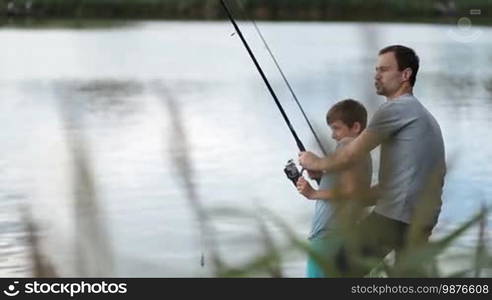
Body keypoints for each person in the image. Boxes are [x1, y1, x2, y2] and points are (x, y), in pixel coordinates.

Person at [299, 45, 446, 276]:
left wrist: (314, 162)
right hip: (421, 220)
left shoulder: (397, 109)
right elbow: (388, 188)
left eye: (384, 70)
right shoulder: (421, 115)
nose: (377, 75)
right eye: (376, 69)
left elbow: (350, 154)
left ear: (405, 75)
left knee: (337, 269)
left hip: (397, 217)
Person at [296, 99, 372, 278]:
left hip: (328, 237)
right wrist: (322, 178)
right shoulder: (362, 153)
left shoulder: (348, 145)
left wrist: (313, 193)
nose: (333, 135)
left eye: (337, 128)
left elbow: (351, 191)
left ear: (355, 127)